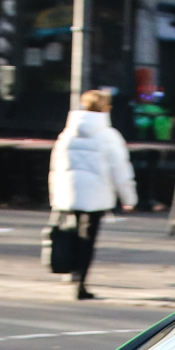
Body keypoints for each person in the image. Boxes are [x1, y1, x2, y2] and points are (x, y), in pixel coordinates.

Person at [47, 88, 137, 300]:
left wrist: (55, 195)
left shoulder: (67, 133)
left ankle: (72, 273)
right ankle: (81, 282)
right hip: (96, 193)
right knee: (87, 238)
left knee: (71, 233)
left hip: (69, 190)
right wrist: (129, 197)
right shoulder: (108, 135)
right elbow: (120, 168)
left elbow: (56, 166)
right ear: (105, 108)